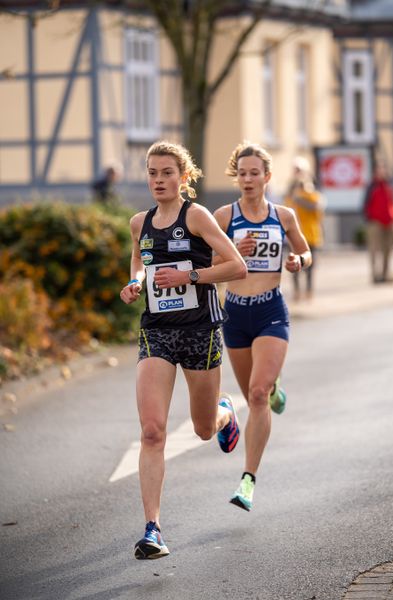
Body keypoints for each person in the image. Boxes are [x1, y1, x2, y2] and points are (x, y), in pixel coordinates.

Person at [120, 140, 247, 560]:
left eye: (167, 173)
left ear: (183, 177)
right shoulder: (140, 222)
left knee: (203, 429)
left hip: (200, 330)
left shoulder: (197, 216)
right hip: (156, 330)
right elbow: (139, 263)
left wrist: (189, 275)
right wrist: (136, 282)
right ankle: (153, 529)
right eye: (152, 173)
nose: (158, 180)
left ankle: (224, 411)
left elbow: (236, 266)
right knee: (152, 431)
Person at [213, 141, 312, 512]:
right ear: (236, 177)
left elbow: (304, 249)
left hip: (270, 309)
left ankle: (248, 480)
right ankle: (269, 392)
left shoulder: (283, 216)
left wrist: (299, 261)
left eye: (255, 172)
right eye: (242, 173)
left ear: (267, 177)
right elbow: (206, 258)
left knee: (255, 394)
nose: (248, 179)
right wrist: (233, 255)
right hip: (235, 315)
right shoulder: (224, 217)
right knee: (253, 394)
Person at [284, 156, 324, 301]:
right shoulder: (290, 192)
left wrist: (300, 199)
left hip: (310, 234)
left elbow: (317, 208)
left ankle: (309, 291)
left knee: (309, 266)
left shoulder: (311, 193)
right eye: (295, 170)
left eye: (299, 170)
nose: (297, 174)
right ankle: (297, 292)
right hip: (293, 236)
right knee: (293, 265)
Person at [362, 161, 393, 284]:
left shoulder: (390, 185)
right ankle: (375, 275)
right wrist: (369, 218)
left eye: (384, 169)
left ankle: (385, 274)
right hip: (375, 221)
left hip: (389, 220)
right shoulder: (371, 186)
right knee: (374, 249)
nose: (382, 172)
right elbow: (365, 203)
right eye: (380, 170)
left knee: (388, 249)